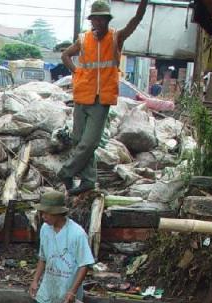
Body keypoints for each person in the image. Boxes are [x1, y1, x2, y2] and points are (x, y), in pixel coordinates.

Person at [58, 0, 148, 195]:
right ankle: (88, 181)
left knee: (90, 142)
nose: (99, 22)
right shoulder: (84, 39)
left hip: (101, 99)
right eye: (96, 19)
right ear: (92, 20)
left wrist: (144, 3)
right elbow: (65, 55)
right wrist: (77, 73)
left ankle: (66, 172)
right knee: (78, 140)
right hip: (82, 96)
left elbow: (136, 20)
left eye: (102, 19)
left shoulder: (116, 37)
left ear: (107, 20)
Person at [28, 190, 95, 303]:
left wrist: (72, 291)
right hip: (48, 289)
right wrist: (35, 281)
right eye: (42, 213)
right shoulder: (45, 229)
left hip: (66, 290)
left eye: (47, 213)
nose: (43, 216)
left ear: (57, 213)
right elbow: (43, 258)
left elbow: (84, 265)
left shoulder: (77, 233)